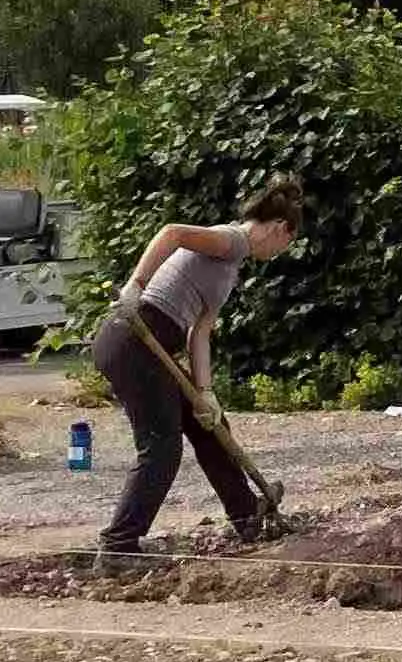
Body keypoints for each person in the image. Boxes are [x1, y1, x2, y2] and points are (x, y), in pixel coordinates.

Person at [92, 174, 304, 556]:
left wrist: (205, 395)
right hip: (135, 337)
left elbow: (199, 333)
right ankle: (118, 547)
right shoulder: (229, 240)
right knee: (161, 447)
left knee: (210, 426)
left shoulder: (232, 262)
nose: (281, 251)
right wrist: (136, 285)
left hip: (154, 343)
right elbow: (172, 232)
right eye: (287, 242)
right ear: (278, 228)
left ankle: (247, 516)